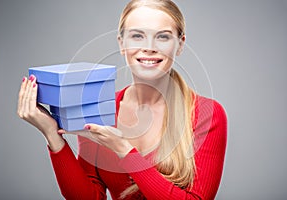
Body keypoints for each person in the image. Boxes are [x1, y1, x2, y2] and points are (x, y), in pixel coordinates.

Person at [17, 0, 227, 199]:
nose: (149, 47)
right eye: (137, 36)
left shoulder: (207, 114)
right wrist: (52, 135)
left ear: (180, 45)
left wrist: (124, 150)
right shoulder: (100, 109)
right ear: (121, 43)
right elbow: (89, 197)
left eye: (162, 37)